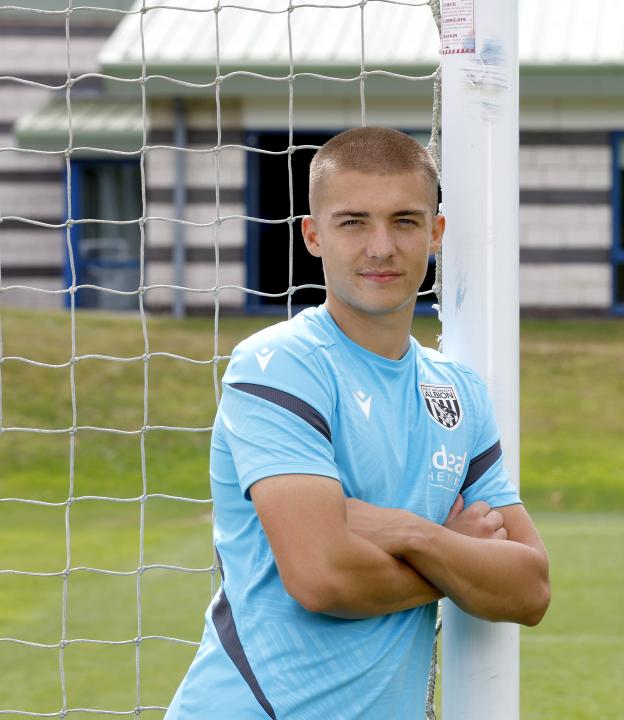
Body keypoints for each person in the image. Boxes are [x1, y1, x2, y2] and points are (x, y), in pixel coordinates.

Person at [165, 127, 551, 719]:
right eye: (353, 223)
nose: (381, 247)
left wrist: (412, 534)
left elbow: (529, 589)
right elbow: (323, 579)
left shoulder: (458, 392)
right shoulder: (281, 364)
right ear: (314, 236)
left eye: (404, 221)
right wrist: (459, 562)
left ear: (435, 233)